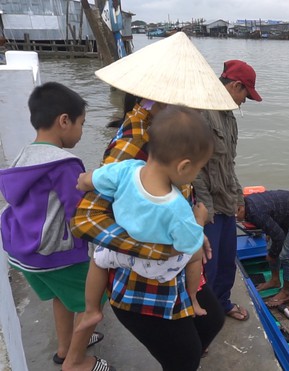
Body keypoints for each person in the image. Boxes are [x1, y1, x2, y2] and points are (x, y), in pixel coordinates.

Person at [71, 33, 235, 370]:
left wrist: (188, 230)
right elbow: (86, 218)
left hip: (173, 265)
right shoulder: (135, 140)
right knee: (186, 354)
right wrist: (165, 248)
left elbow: (167, 195)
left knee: (210, 322)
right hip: (142, 280)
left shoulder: (167, 127)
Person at [0, 82, 114, 371]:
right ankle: (75, 362)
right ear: (64, 121)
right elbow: (80, 211)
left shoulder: (24, 156)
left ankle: (66, 349)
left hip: (23, 253)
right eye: (81, 124)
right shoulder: (64, 164)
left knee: (62, 297)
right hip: (56, 254)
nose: (82, 131)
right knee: (95, 299)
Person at [75, 106, 214, 334]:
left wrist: (83, 182)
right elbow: (187, 244)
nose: (195, 175)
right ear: (184, 166)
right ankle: (192, 299)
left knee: (97, 258)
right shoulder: (177, 207)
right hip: (157, 267)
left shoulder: (125, 169)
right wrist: (199, 219)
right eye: (197, 169)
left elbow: (91, 180)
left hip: (122, 253)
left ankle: (91, 310)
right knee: (195, 256)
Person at [193, 59, 262, 321]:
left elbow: (228, 163)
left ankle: (221, 303)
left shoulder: (229, 119)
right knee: (205, 266)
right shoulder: (201, 113)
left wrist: (238, 196)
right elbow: (196, 168)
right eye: (245, 94)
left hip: (225, 203)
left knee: (225, 261)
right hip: (206, 205)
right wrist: (205, 208)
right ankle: (201, 316)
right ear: (235, 85)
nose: (244, 101)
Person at [237, 189, 289, 307]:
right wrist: (269, 232)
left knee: (286, 256)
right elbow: (271, 213)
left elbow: (279, 237)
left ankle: (286, 292)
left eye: (235, 215)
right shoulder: (248, 206)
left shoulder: (254, 213)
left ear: (240, 208)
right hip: (286, 213)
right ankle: (275, 280)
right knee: (270, 245)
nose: (236, 219)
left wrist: (272, 255)